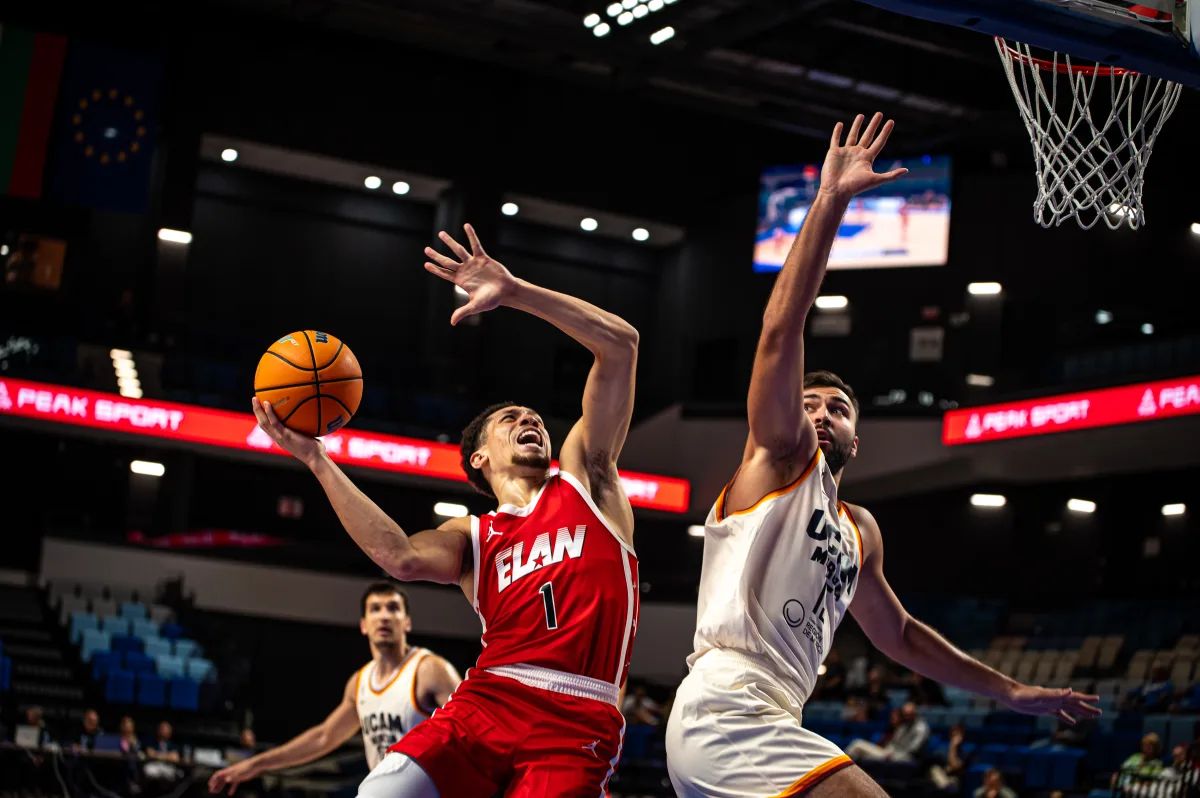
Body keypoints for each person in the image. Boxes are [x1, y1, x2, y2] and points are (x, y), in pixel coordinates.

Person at [664, 113, 1101, 797]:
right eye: (809, 403)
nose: (818, 413)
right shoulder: (781, 460)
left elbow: (900, 636)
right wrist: (830, 202)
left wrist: (1009, 690)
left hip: (774, 710)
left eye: (836, 408)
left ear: (857, 440)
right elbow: (780, 331)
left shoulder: (858, 531)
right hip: (729, 706)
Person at [252, 223, 641, 797]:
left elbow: (622, 344)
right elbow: (399, 557)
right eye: (511, 419)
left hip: (578, 711)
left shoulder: (587, 479)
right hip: (491, 698)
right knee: (380, 793)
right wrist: (316, 459)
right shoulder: (474, 536)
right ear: (480, 456)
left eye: (534, 416)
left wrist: (514, 293)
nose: (529, 419)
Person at [209, 583, 460, 794]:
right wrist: (256, 764)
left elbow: (474, 728)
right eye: (375, 609)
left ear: (407, 623)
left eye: (393, 609)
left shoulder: (430, 670)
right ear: (364, 624)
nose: (384, 616)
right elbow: (323, 737)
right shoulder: (360, 682)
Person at [845, 702, 928, 764]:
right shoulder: (904, 725)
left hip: (902, 758)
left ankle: (839, 768)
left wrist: (893, 756)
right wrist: (889, 752)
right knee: (860, 754)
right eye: (904, 714)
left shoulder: (921, 728)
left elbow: (913, 750)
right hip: (889, 753)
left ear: (914, 714)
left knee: (857, 744)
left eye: (909, 715)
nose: (906, 717)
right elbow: (895, 743)